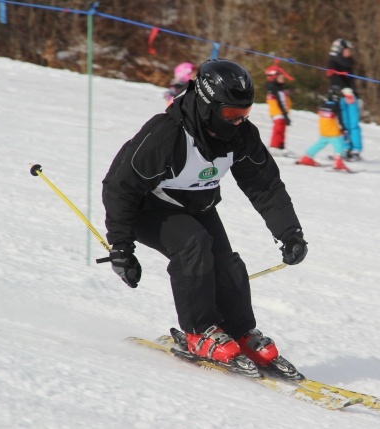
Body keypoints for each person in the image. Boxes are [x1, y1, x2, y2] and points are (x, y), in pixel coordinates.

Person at [102, 59, 308, 378]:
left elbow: (264, 185)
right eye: (230, 114)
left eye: (245, 113)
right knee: (193, 245)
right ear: (209, 105)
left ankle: (240, 331)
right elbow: (120, 186)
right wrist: (121, 247)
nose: (239, 122)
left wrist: (289, 232)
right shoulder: (166, 134)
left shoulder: (242, 136)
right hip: (149, 209)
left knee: (226, 261)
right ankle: (199, 331)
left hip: (198, 206)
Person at [296, 85, 350, 171]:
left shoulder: (323, 104)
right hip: (332, 131)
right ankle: (338, 162)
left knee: (319, 144)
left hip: (323, 130)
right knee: (338, 145)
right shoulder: (336, 105)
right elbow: (340, 119)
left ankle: (306, 157)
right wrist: (344, 128)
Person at [327, 38, 363, 161]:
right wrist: (343, 90)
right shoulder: (332, 62)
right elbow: (334, 79)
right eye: (347, 50)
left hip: (351, 97)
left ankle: (355, 149)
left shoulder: (349, 62)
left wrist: (351, 92)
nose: (349, 53)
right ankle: (344, 148)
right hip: (340, 96)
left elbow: (351, 80)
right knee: (343, 124)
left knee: (353, 124)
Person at [265, 64, 293, 156]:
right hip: (278, 112)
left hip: (281, 112)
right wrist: (284, 114)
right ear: (274, 77)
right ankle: (274, 146)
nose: (282, 79)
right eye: (280, 77)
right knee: (278, 129)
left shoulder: (279, 88)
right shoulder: (273, 88)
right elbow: (279, 102)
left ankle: (281, 146)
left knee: (282, 129)